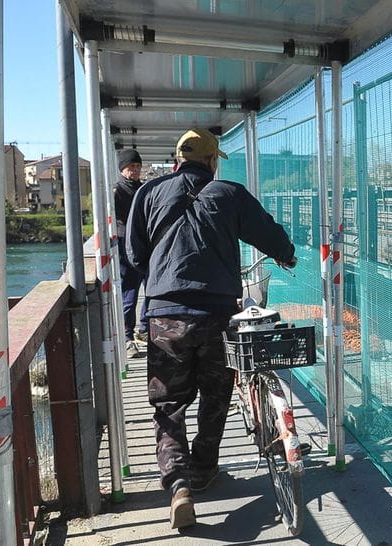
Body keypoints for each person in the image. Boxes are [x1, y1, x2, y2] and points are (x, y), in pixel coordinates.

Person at [125, 128, 297, 529]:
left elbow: (134, 255)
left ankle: (178, 483)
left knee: (168, 403)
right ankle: (203, 469)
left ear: (176, 161)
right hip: (218, 313)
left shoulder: (147, 194)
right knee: (215, 393)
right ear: (212, 161)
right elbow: (268, 233)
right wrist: (286, 256)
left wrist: (163, 274)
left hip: (166, 315)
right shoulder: (229, 193)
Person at [113, 149, 148, 357]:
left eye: (137, 167)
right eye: (130, 167)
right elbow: (117, 223)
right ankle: (127, 336)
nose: (134, 171)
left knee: (151, 290)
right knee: (129, 293)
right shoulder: (117, 191)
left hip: (144, 247)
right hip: (125, 249)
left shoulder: (143, 189)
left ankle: (144, 329)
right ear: (122, 169)